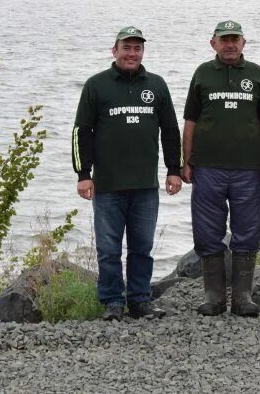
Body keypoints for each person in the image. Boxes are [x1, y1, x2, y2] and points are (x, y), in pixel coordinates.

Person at [73, 25, 183, 321]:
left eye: (137, 48)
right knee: (108, 250)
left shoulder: (157, 85)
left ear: (142, 52)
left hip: (145, 185)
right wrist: (83, 174)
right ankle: (112, 302)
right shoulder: (96, 85)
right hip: (108, 186)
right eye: (127, 47)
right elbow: (81, 132)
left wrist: (174, 169)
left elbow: (171, 131)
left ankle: (139, 301)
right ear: (115, 50)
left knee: (142, 248)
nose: (132, 53)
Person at [182, 20, 260, 316]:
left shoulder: (256, 74)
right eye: (224, 39)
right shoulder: (202, 74)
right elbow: (190, 121)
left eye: (235, 39)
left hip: (248, 168)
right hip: (207, 167)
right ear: (213, 43)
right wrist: (186, 161)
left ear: (244, 43)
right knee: (208, 231)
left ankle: (242, 298)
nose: (230, 44)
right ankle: (214, 297)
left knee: (247, 231)